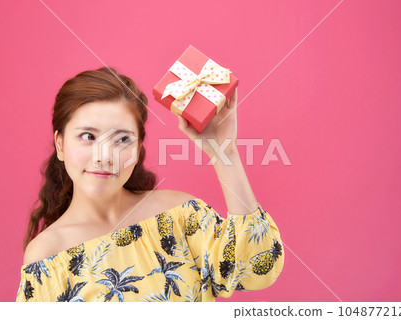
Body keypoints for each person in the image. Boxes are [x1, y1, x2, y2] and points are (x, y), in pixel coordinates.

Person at [16, 67, 285, 302]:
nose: (104, 156)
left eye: (122, 139)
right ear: (60, 144)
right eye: (88, 136)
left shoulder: (179, 215)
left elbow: (255, 268)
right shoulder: (47, 254)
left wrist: (224, 153)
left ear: (138, 148)